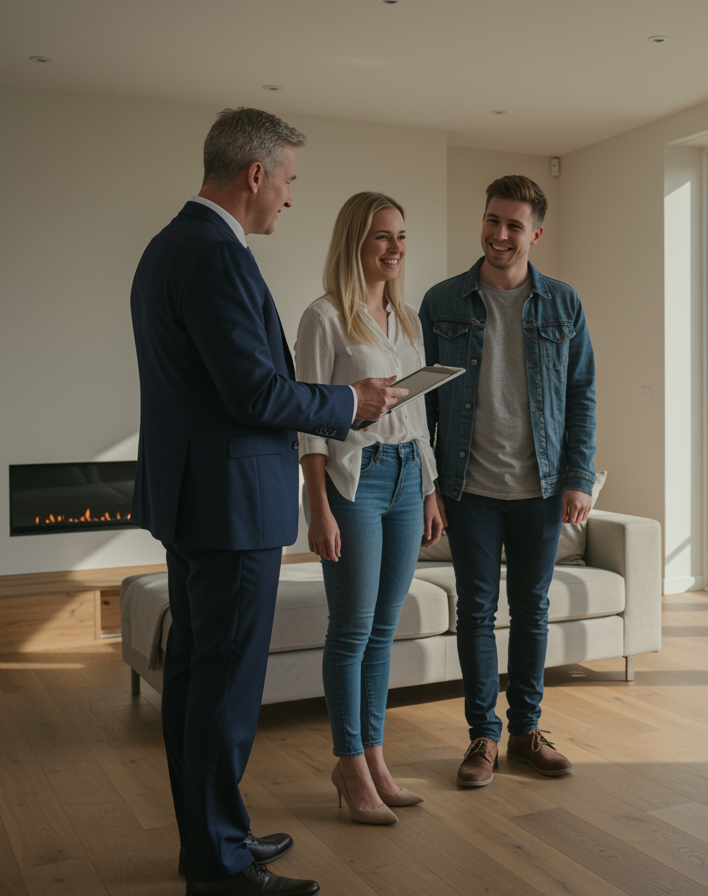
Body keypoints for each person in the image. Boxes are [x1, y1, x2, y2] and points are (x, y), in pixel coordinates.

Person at [130, 108, 406, 896]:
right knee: (223, 689)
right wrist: (348, 401)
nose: (289, 196)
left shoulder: (169, 246)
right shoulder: (216, 254)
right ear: (256, 174)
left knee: (195, 680)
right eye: (286, 179)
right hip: (230, 505)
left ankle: (212, 838)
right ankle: (219, 865)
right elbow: (253, 391)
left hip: (194, 500)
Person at [419, 175, 597, 788]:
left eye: (513, 225)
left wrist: (578, 477)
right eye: (492, 220)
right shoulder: (442, 301)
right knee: (475, 611)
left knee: (532, 610)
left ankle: (526, 731)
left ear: (535, 234)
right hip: (467, 487)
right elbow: (422, 406)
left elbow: (581, 395)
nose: (499, 234)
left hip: (541, 489)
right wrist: (429, 485)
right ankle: (482, 737)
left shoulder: (564, 304)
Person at [294, 192, 444, 823]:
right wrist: (318, 507)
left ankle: (377, 760)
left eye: (401, 237)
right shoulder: (324, 317)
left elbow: (417, 413)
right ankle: (350, 764)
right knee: (352, 630)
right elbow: (308, 422)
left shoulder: (406, 320)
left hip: (408, 477)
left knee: (384, 630)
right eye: (383, 236)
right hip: (355, 481)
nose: (395, 248)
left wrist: (430, 488)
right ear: (355, 240)